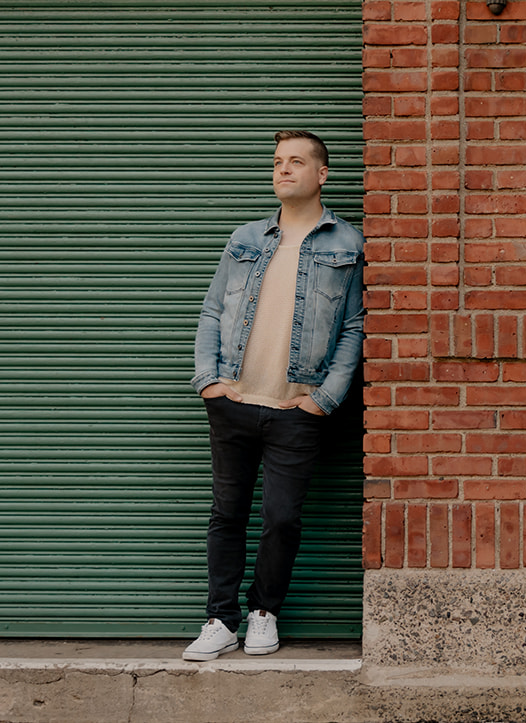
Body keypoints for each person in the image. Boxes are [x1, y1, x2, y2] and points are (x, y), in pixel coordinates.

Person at [182, 130, 364, 661]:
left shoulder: (348, 245)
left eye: (297, 162)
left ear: (321, 174)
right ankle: (219, 619)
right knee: (228, 513)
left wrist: (323, 399)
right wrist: (209, 382)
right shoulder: (245, 238)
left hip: (296, 410)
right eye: (278, 162)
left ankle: (265, 612)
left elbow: (354, 327)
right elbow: (213, 310)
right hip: (233, 401)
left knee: (282, 516)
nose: (284, 170)